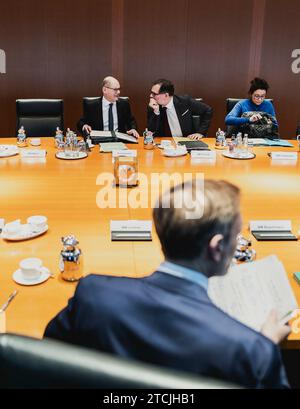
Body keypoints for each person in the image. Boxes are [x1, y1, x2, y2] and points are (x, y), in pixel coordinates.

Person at [44, 179, 290, 388]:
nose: (238, 243)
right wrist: (266, 345)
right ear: (216, 248)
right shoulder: (251, 349)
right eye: (236, 235)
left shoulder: (94, 294)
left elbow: (45, 361)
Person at [147, 79, 213, 139]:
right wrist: (156, 112)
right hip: (166, 143)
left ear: (166, 95)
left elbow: (208, 110)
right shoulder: (153, 106)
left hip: (187, 140)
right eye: (151, 92)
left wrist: (200, 133)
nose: (151, 96)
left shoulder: (184, 101)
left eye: (154, 94)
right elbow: (151, 132)